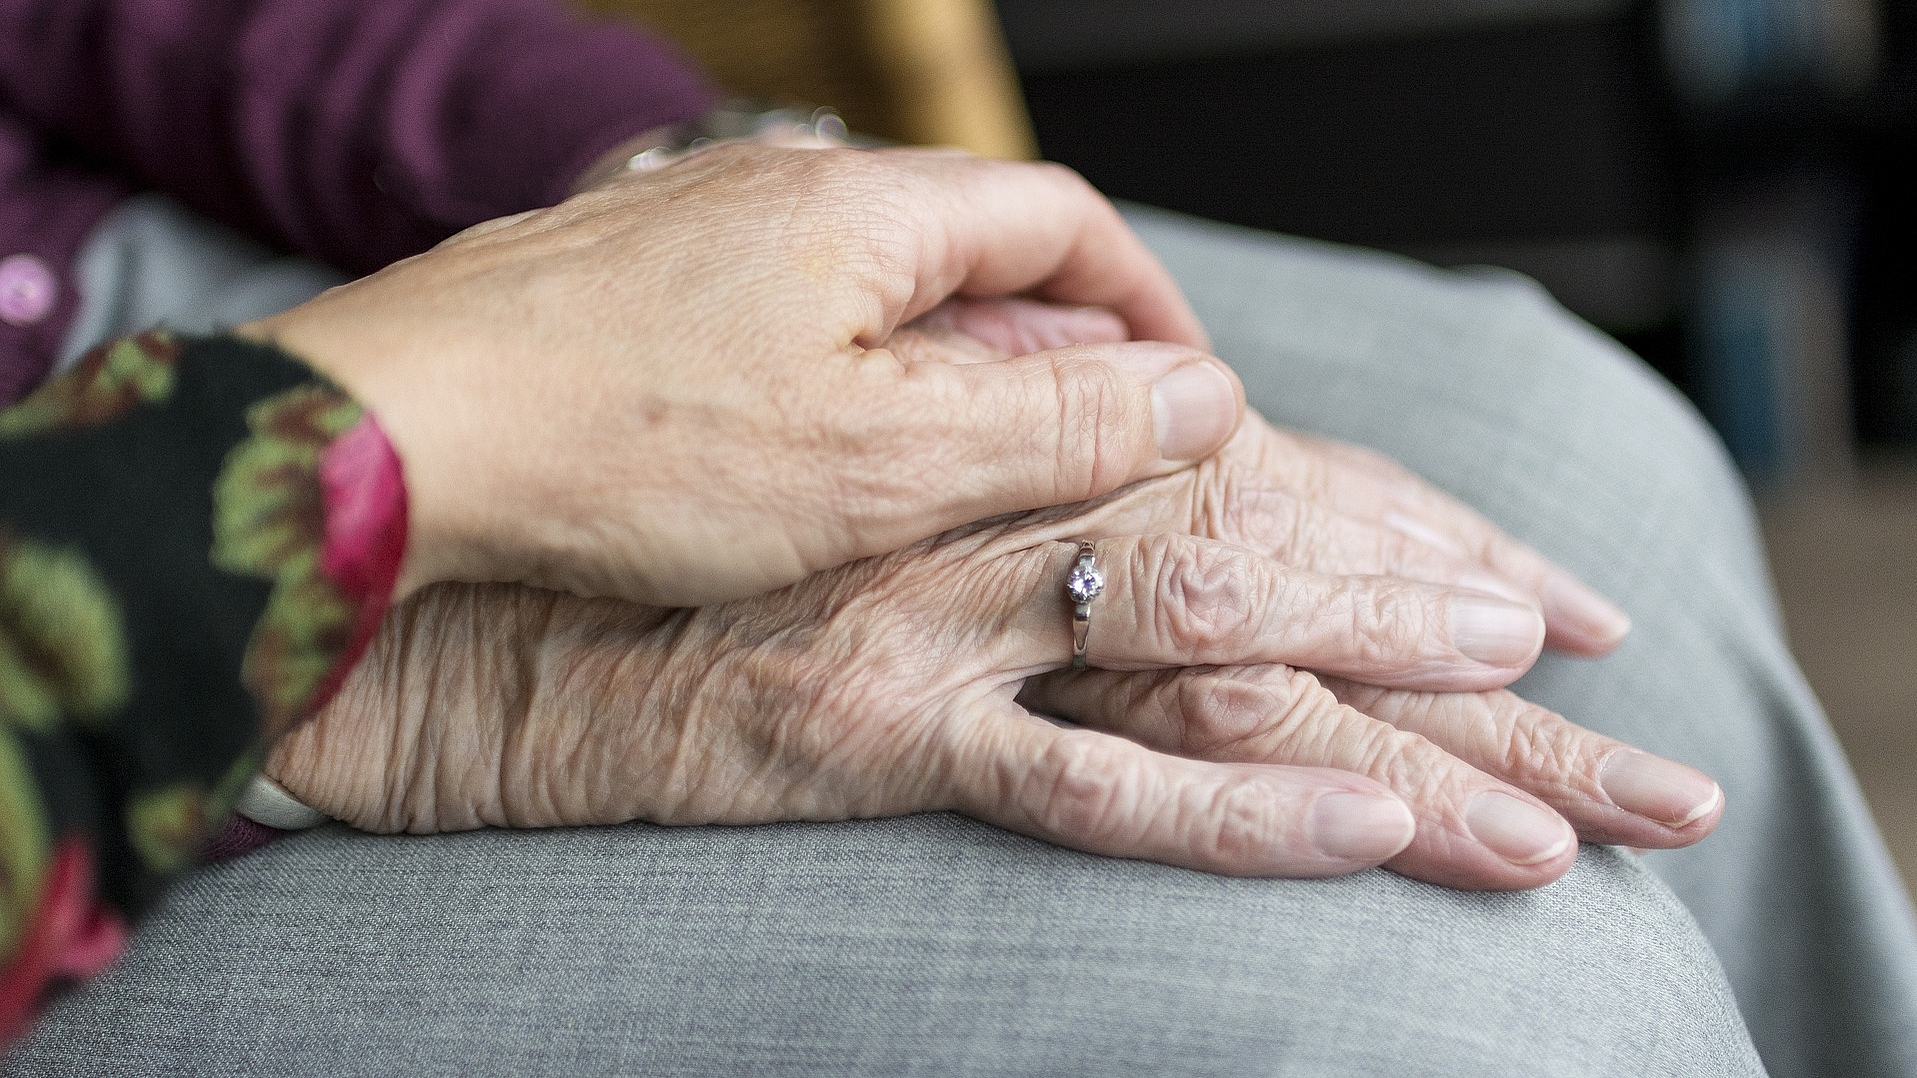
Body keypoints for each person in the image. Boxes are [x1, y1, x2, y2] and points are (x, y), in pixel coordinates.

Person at [0, 1, 1911, 1076]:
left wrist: (686, 204)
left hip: (146, 264)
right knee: (1479, 1003)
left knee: (1571, 475)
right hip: (74, 728)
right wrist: (389, 609)